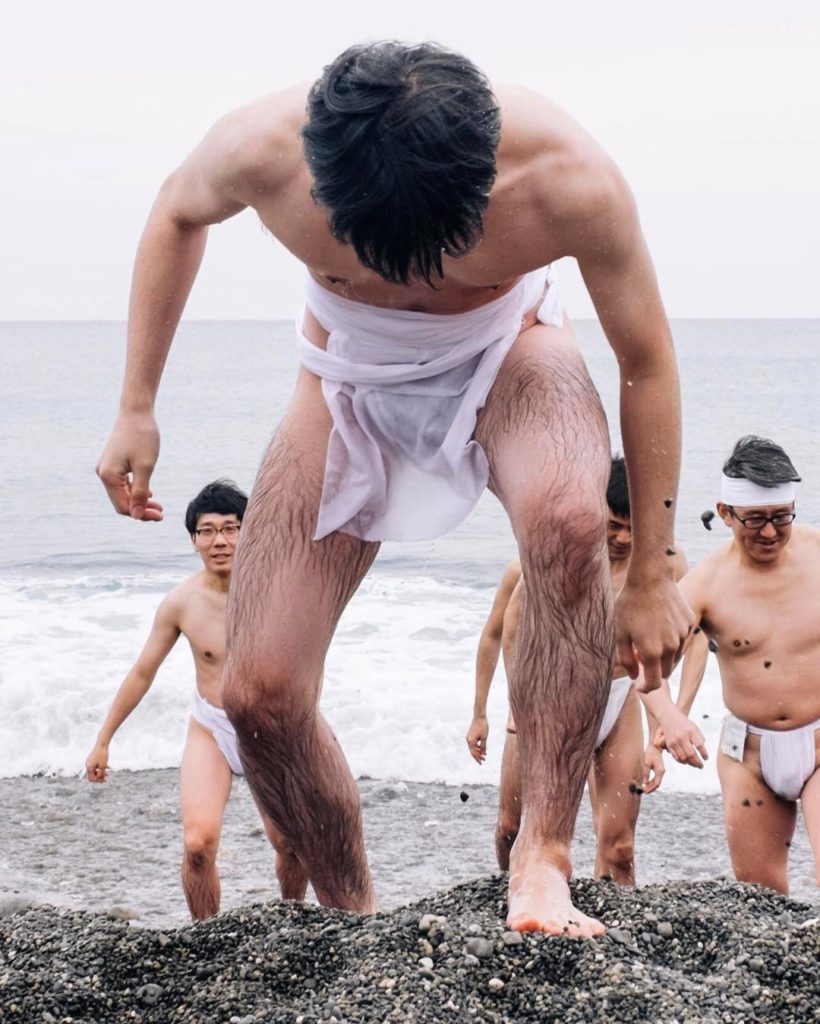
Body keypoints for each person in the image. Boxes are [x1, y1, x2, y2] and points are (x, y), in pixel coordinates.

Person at [95, 41, 693, 936]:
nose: (412, 278)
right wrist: (136, 404)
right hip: (345, 371)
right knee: (257, 692)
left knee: (571, 525)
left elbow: (645, 361)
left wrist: (650, 570)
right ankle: (353, 909)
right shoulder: (262, 148)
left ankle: (542, 859)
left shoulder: (567, 178)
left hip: (508, 346)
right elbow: (177, 213)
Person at [467, 456, 699, 881]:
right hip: (548, 698)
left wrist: (667, 721)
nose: (624, 538)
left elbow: (684, 637)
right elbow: (508, 630)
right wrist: (499, 707)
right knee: (512, 828)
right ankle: (509, 892)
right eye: (614, 526)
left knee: (620, 846)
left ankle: (614, 918)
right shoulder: (557, 550)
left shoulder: (664, 561)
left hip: (618, 697)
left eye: (633, 527)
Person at [85, 480, 307, 920]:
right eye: (207, 531)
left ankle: (293, 918)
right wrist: (103, 739)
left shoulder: (281, 594)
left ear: (249, 532)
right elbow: (142, 672)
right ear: (193, 540)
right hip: (212, 727)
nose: (219, 541)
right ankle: (204, 936)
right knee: (198, 844)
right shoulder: (181, 603)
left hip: (270, 730)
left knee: (289, 842)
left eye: (230, 528)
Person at [674, 435, 819, 895]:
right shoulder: (704, 584)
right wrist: (670, 718)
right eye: (755, 520)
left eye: (781, 517)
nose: (770, 532)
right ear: (725, 513)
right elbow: (639, 659)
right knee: (762, 897)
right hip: (749, 757)